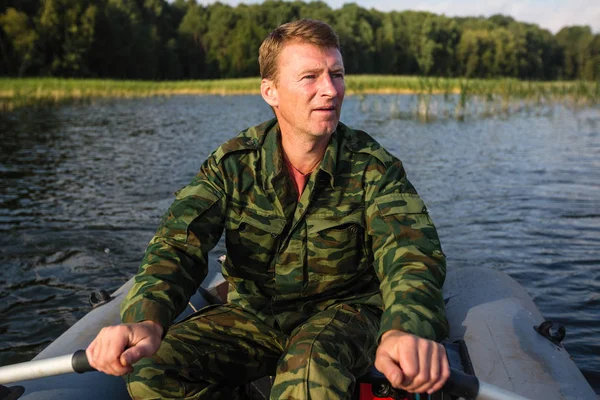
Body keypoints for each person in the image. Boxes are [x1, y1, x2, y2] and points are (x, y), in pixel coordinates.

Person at [87, 19, 450, 399]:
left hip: (345, 317)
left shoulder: (372, 166)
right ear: (270, 91)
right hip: (256, 318)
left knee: (310, 366)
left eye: (337, 74)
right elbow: (178, 245)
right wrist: (147, 319)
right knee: (151, 370)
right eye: (310, 77)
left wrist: (404, 327)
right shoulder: (233, 164)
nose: (330, 90)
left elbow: (411, 254)